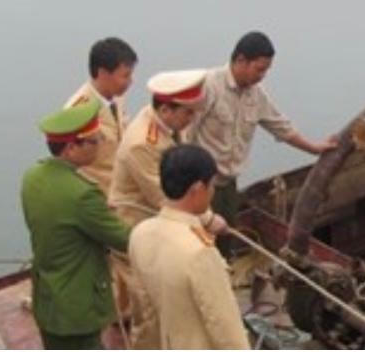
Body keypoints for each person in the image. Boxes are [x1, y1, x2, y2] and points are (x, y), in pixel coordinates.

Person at [108, 69, 226, 349]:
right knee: (148, 308)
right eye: (187, 113)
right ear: (165, 109)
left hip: (159, 220)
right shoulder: (142, 143)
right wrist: (209, 219)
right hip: (137, 226)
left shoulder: (167, 124)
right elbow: (165, 196)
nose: (192, 119)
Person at [187, 31, 337, 248]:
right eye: (259, 69)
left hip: (228, 184)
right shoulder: (209, 86)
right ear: (241, 60)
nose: (262, 76)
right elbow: (185, 133)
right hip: (200, 185)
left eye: (266, 70)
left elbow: (281, 126)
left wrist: (314, 148)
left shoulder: (256, 94)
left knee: (225, 242)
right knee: (200, 243)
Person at [19, 100, 131, 350]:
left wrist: (97, 212)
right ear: (71, 148)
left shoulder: (32, 176)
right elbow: (123, 239)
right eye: (95, 140)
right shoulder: (83, 194)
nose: (101, 144)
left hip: (48, 299)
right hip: (78, 306)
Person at [128, 144, 251, 349]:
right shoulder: (199, 252)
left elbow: (144, 310)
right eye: (211, 186)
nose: (212, 192)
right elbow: (225, 328)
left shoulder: (140, 234)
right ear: (198, 189)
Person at [64, 37, 137, 196]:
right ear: (103, 74)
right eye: (125, 76)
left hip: (122, 193)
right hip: (95, 196)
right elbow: (70, 164)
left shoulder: (117, 98)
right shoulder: (78, 111)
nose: (131, 81)